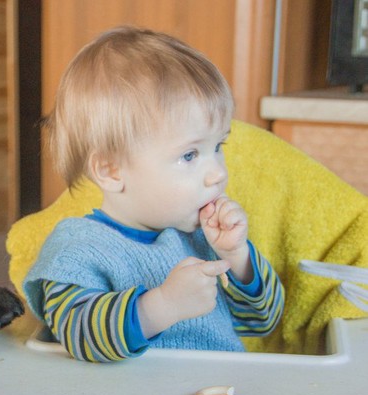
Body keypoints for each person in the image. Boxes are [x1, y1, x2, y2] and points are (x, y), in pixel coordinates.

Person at [23, 26, 285, 362]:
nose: (218, 173)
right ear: (111, 171)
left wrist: (238, 258)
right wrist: (162, 307)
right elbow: (77, 334)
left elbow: (264, 321)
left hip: (219, 393)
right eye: (189, 155)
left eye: (218, 146)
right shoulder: (77, 249)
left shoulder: (204, 238)